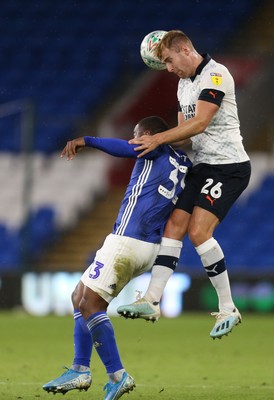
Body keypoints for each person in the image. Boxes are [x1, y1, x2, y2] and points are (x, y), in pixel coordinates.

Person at [42, 116, 192, 399]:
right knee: (79, 296)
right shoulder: (182, 161)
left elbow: (122, 148)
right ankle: (79, 368)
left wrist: (86, 140)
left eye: (137, 135)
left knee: (91, 304)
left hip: (129, 240)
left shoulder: (153, 147)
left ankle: (117, 375)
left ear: (148, 134)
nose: (134, 140)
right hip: (147, 245)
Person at [117, 30, 251, 340]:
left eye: (168, 60)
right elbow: (187, 134)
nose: (168, 68)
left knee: (198, 232)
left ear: (185, 49)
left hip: (228, 167)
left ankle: (228, 307)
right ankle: (151, 300)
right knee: (173, 227)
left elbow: (201, 122)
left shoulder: (216, 75)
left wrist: (157, 139)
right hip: (203, 165)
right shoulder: (182, 85)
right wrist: (161, 149)